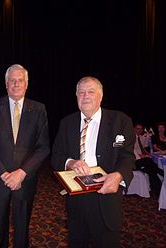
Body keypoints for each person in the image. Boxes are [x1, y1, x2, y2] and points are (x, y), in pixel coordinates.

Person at [51, 76, 135, 248]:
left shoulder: (120, 120)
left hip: (107, 198)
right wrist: (71, 162)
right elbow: (56, 156)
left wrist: (119, 176)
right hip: (76, 199)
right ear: (76, 97)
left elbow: (127, 156)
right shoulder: (67, 123)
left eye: (91, 91)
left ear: (101, 96)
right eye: (81, 92)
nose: (86, 96)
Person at [0, 64, 50, 248]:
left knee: (22, 233)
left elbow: (43, 147)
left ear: (26, 84)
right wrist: (2, 173)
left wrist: (22, 172)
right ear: (6, 84)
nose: (16, 84)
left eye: (20, 81)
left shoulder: (39, 109)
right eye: (12, 81)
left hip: (25, 180)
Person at [133, 123, 162, 194]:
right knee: (148, 161)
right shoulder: (130, 138)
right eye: (137, 129)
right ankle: (160, 171)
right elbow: (132, 150)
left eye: (141, 129)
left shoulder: (140, 137)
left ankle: (158, 190)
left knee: (150, 170)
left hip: (141, 160)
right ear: (134, 129)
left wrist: (147, 153)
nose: (139, 130)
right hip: (133, 161)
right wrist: (141, 156)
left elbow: (142, 148)